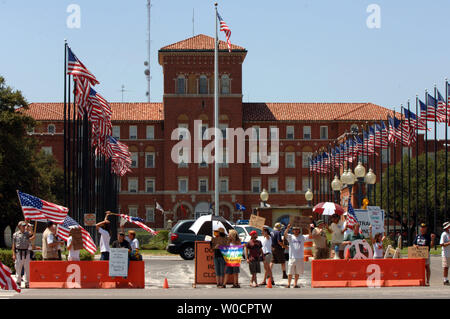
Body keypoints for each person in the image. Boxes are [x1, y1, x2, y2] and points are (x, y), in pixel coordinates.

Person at [12, 221, 35, 288]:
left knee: (27, 269)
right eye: (23, 226)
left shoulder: (27, 233)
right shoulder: (15, 234)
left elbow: (32, 235)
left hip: (26, 253)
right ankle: (18, 282)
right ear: (19, 227)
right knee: (18, 268)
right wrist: (13, 254)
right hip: (19, 253)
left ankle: (27, 282)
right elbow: (13, 245)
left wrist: (30, 228)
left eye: (25, 226)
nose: (24, 227)